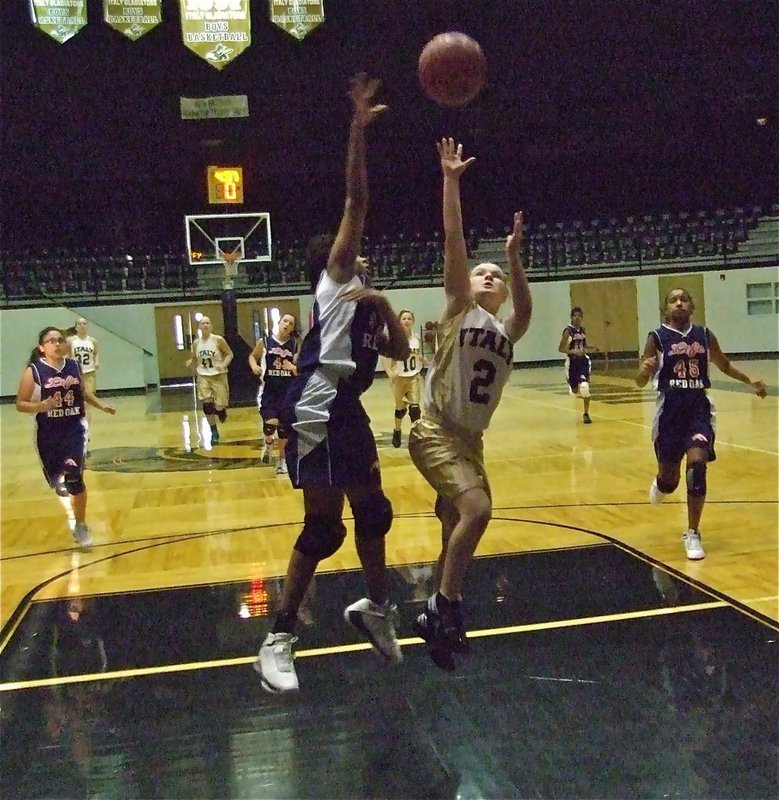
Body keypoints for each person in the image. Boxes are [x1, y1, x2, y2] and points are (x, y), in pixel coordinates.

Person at [254, 73, 410, 694]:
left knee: (373, 512)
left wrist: (383, 301)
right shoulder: (335, 279)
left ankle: (376, 607)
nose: (360, 253)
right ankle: (278, 638)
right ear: (333, 261)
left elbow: (402, 351)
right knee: (324, 528)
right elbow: (357, 202)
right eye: (349, 251)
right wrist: (357, 130)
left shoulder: (365, 300)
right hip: (317, 405)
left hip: (345, 408)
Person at [408, 139, 532, 671]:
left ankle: (436, 623)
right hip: (435, 429)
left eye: (495, 276)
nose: (488, 276)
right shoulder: (460, 309)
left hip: (469, 441)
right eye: (482, 272)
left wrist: (514, 260)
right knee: (478, 510)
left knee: (451, 529)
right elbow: (454, 240)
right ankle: (444, 604)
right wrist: (451, 182)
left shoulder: (507, 328)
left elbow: (525, 305)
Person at [635, 287, 767, 560]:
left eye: (684, 299)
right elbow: (639, 381)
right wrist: (643, 372)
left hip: (698, 412)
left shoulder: (704, 336)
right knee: (670, 481)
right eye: (673, 300)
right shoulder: (657, 338)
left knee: (697, 468)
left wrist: (749, 380)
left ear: (692, 307)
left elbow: (725, 365)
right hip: (669, 416)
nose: (679, 303)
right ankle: (661, 484)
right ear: (666, 309)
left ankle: (693, 532)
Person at [16, 327, 116, 546]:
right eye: (51, 341)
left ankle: (80, 524)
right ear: (42, 348)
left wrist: (101, 404)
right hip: (48, 432)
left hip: (74, 428)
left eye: (60, 339)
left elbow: (82, 391)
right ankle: (68, 501)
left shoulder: (73, 365)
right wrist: (40, 406)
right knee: (58, 482)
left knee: (74, 478)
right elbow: (20, 404)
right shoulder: (33, 371)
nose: (58, 343)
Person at [248, 313, 299, 474]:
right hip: (269, 390)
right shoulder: (264, 342)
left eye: (290, 323)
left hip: (287, 391)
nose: (287, 324)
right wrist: (254, 366)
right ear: (278, 322)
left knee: (283, 429)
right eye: (285, 321)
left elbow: (300, 370)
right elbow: (252, 356)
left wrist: (293, 368)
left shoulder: (295, 346)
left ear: (292, 328)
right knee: (270, 425)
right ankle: (268, 442)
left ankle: (281, 461)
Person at [185, 316, 233, 445]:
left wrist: (223, 364)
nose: (205, 325)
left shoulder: (218, 340)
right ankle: (214, 432)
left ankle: (221, 411)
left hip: (218, 375)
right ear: (199, 327)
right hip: (203, 375)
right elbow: (195, 357)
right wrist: (191, 361)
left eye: (207, 323)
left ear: (211, 326)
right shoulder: (196, 343)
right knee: (207, 406)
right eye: (202, 323)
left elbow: (229, 354)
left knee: (219, 405)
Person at [384, 309, 425, 448]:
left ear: (413, 321)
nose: (407, 321)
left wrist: (422, 359)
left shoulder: (416, 338)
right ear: (399, 321)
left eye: (409, 318)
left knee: (415, 408)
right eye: (404, 318)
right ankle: (397, 430)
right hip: (399, 378)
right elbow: (386, 356)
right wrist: (390, 371)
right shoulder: (394, 339)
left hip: (414, 376)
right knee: (401, 409)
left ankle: (416, 436)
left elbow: (416, 355)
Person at [67, 317, 100, 451]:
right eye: (79, 324)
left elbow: (96, 353)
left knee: (87, 404)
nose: (82, 326)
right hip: (75, 374)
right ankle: (76, 431)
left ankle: (86, 433)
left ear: (87, 326)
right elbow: (67, 355)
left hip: (89, 374)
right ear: (76, 327)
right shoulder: (70, 341)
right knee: (76, 404)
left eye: (84, 323)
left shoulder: (93, 341)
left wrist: (97, 361)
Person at [558, 306, 595, 423]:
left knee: (585, 387)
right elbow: (561, 348)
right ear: (571, 317)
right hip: (572, 363)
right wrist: (573, 351)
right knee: (574, 390)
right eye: (575, 315)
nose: (577, 318)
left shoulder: (582, 330)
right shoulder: (568, 332)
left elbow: (584, 345)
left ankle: (586, 414)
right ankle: (573, 384)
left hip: (583, 362)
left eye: (579, 316)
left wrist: (591, 348)